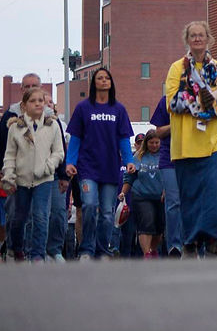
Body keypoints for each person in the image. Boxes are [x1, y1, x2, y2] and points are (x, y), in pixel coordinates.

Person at [165, 20, 217, 257]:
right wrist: (208, 101)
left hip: (213, 143)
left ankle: (216, 239)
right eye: (193, 35)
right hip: (185, 145)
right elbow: (173, 103)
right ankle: (191, 242)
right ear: (187, 39)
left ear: (208, 39)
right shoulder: (177, 68)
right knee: (190, 197)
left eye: (201, 35)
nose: (197, 39)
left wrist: (212, 104)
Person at [65, 68, 136, 260]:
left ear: (111, 83)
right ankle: (86, 249)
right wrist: (70, 162)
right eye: (99, 78)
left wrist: (129, 160)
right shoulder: (83, 108)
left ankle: (102, 250)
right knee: (88, 205)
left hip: (110, 168)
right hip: (87, 167)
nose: (103, 81)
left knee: (106, 213)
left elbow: (123, 139)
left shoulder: (118, 109)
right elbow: (76, 138)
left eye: (106, 78)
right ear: (93, 83)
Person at [2, 87, 64, 262]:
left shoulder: (52, 126)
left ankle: (37, 255)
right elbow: (10, 155)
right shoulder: (15, 127)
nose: (38, 104)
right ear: (24, 105)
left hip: (43, 179)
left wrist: (48, 166)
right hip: (21, 181)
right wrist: (9, 175)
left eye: (40, 101)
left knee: (41, 216)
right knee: (18, 217)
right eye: (33, 101)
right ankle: (16, 248)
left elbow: (59, 152)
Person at [119, 130, 165, 259]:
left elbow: (170, 175)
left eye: (157, 142)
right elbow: (129, 177)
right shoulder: (138, 157)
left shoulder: (165, 156)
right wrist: (123, 192)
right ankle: (147, 253)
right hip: (142, 196)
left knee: (159, 226)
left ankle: (154, 249)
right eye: (151, 143)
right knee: (146, 222)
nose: (154, 145)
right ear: (146, 143)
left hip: (160, 196)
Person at [149, 95, 183, 257]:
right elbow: (159, 132)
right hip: (170, 158)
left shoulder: (200, 98)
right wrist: (177, 124)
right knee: (173, 203)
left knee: (191, 203)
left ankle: (192, 243)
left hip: (194, 157)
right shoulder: (166, 100)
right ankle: (175, 246)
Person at [42, 92, 71, 263]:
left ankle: (55, 249)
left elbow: (62, 151)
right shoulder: (30, 123)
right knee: (40, 214)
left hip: (55, 175)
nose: (49, 105)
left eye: (51, 102)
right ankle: (39, 249)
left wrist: (64, 176)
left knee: (59, 213)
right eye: (45, 102)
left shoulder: (59, 124)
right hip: (37, 176)